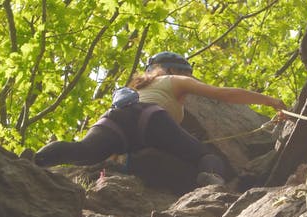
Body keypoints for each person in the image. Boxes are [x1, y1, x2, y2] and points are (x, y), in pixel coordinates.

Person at [33, 51, 286, 186]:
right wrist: (269, 101)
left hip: (114, 120)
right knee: (204, 156)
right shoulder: (174, 80)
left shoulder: (138, 89)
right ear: (174, 69)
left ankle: (35, 162)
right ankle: (211, 186)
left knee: (83, 151)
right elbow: (224, 95)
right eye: (188, 73)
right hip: (150, 120)